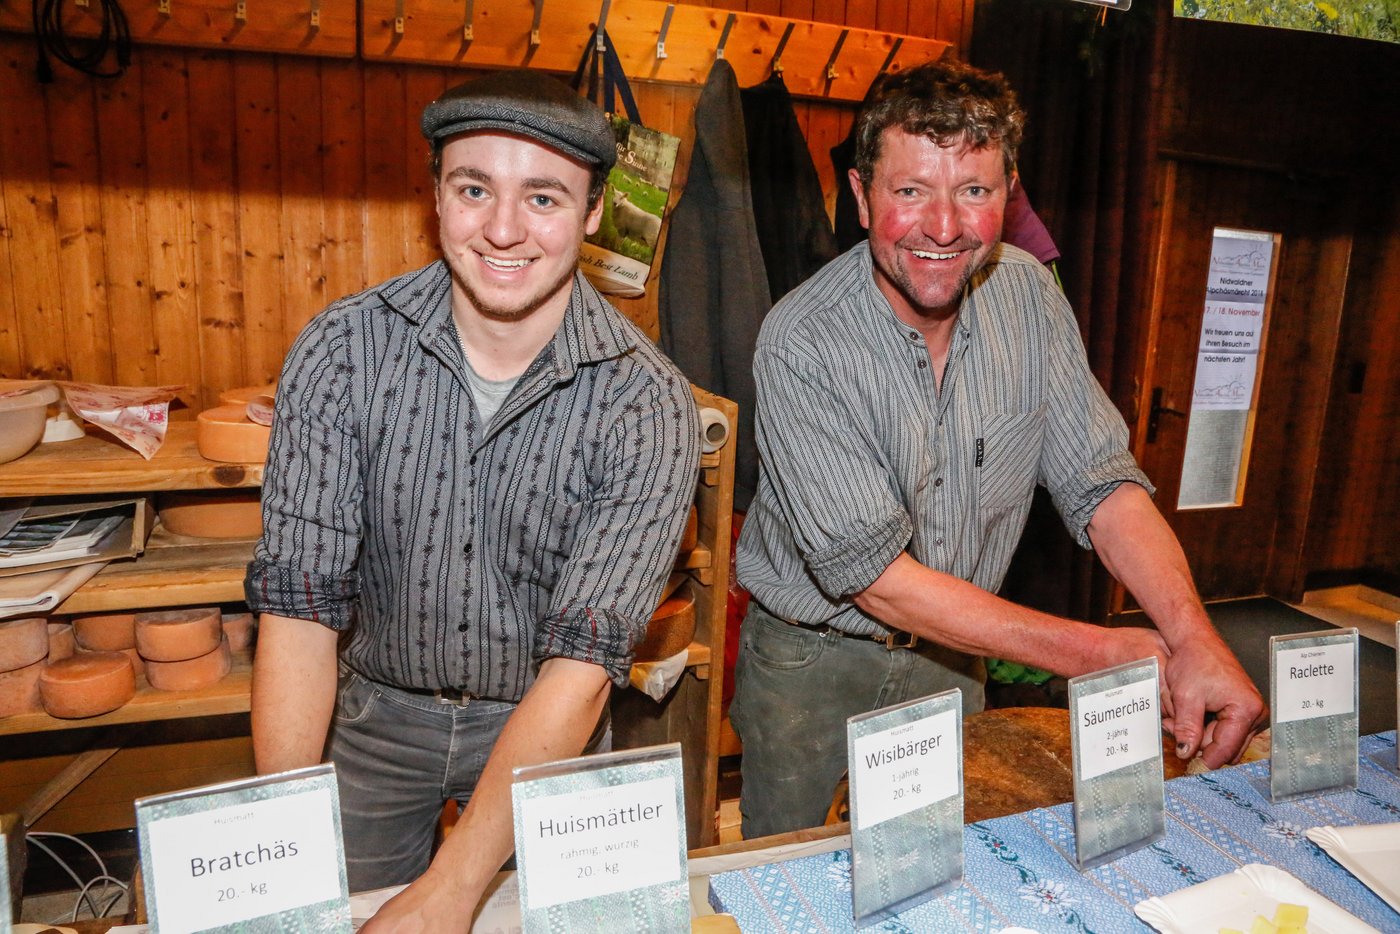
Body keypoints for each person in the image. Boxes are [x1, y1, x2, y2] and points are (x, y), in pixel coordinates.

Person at [731, 58, 1267, 839]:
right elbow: (876, 582)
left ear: (1008, 192)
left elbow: (1103, 486)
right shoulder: (801, 340)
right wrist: (1088, 650)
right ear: (859, 196)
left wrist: (1196, 641)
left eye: (973, 192)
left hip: (958, 663)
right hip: (815, 668)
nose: (943, 228)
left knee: (948, 872)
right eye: (909, 191)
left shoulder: (1030, 298)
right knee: (800, 880)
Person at [244, 70, 701, 930]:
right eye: (474, 188)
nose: (502, 229)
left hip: (546, 727)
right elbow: (300, 609)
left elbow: (581, 666)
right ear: (436, 195)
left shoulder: (646, 405)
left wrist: (450, 895)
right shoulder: (343, 351)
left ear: (595, 212)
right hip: (370, 718)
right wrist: (281, 838)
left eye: (543, 197)